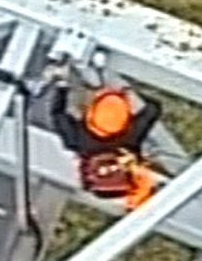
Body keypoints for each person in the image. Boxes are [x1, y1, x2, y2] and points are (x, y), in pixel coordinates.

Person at [50, 80, 161, 210]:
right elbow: (57, 114)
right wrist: (62, 87)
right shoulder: (76, 143)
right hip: (94, 100)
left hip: (119, 95)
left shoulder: (130, 143)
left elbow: (153, 109)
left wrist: (133, 91)